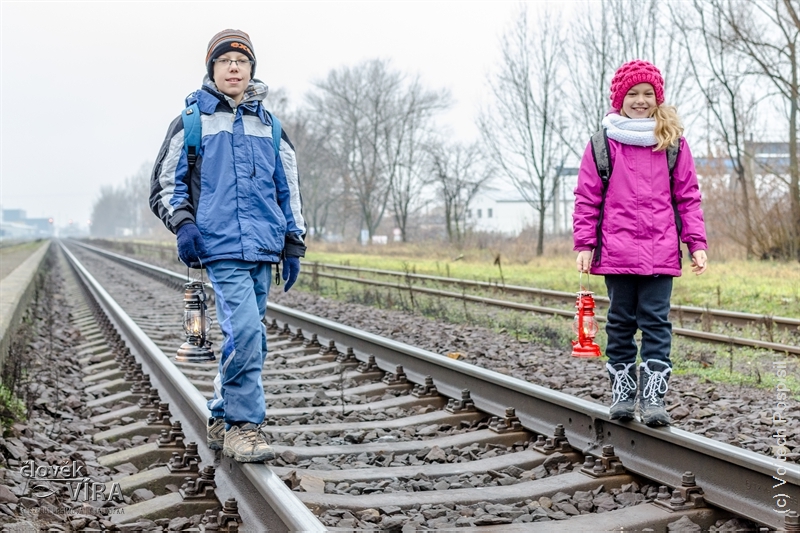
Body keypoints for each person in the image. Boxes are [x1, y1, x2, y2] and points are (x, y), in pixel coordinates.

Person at [150, 29, 306, 461]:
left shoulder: (271, 128)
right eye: (224, 61)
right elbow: (165, 186)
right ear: (212, 70)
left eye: (241, 60)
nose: (233, 67)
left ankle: (220, 413)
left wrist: (294, 241)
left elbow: (288, 190)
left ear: (252, 69)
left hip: (263, 250)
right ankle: (244, 427)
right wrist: (183, 225)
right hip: (219, 248)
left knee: (249, 338)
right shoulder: (191, 122)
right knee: (247, 333)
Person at [572, 59, 708, 427]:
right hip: (615, 253)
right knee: (619, 322)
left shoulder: (673, 144)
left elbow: (688, 197)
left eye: (648, 93)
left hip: (661, 252)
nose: (641, 99)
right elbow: (587, 198)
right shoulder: (602, 145)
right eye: (633, 93)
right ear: (620, 99)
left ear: (657, 98)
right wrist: (584, 244)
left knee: (656, 323)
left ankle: (653, 397)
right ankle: (622, 392)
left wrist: (696, 242)